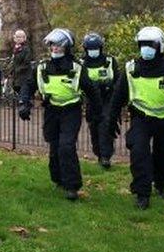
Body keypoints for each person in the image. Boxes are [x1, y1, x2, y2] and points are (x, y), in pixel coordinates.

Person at [102, 26, 164, 209]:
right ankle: (142, 193)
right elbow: (117, 97)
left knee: (163, 155)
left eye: (150, 45)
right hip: (141, 118)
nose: (146, 48)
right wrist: (111, 120)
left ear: (160, 46)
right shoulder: (131, 68)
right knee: (139, 153)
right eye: (142, 44)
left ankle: (160, 185)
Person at [18, 28, 102, 201]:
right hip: (51, 111)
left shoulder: (77, 68)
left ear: (66, 47)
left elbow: (92, 91)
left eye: (58, 46)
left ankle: (72, 186)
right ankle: (58, 179)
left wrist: (99, 113)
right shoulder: (42, 67)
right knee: (54, 147)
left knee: (66, 146)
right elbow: (28, 85)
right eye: (52, 46)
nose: (54, 49)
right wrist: (24, 103)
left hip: (71, 111)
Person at [81, 33, 121, 169]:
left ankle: (106, 156)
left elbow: (118, 80)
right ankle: (98, 153)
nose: (93, 51)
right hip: (91, 101)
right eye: (90, 48)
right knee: (94, 127)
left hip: (107, 99)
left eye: (96, 48)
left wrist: (109, 86)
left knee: (105, 126)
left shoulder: (109, 61)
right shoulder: (82, 63)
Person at [10, 29, 32, 94]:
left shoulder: (26, 49)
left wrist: (18, 69)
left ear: (24, 38)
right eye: (17, 37)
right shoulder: (15, 49)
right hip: (16, 76)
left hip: (25, 76)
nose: (18, 39)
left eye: (20, 37)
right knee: (17, 92)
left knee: (23, 95)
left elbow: (27, 62)